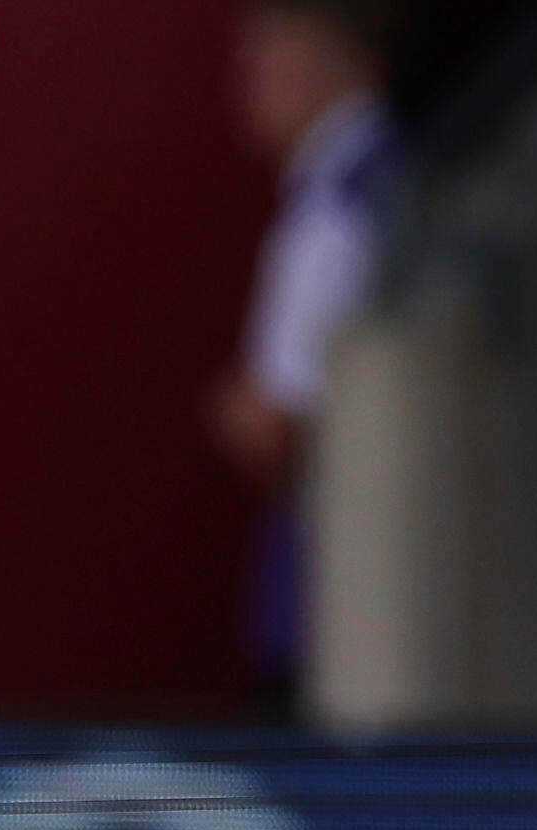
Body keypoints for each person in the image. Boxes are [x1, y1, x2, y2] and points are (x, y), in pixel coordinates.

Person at [208, 0, 401, 699]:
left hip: (330, 592)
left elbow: (276, 421)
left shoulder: (332, 210)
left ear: (336, 65)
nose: (246, 84)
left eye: (268, 61)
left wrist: (231, 413)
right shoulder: (390, 181)